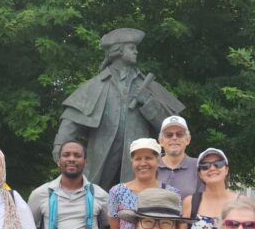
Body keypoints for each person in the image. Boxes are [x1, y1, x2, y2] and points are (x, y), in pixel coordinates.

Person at [52, 27, 185, 188]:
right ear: (118, 51)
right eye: (131, 48)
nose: (136, 52)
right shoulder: (96, 85)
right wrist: (59, 148)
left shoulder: (147, 86)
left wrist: (148, 102)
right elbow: (71, 122)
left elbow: (172, 128)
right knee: (95, 202)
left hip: (139, 167)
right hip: (100, 165)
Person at [107, 138, 180, 229]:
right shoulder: (117, 192)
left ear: (158, 161)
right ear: (132, 162)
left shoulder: (171, 193)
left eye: (148, 158)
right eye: (138, 159)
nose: (143, 163)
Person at [177, 147, 239, 229]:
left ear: (226, 169)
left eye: (218, 164)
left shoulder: (241, 202)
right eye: (205, 166)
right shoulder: (190, 202)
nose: (212, 168)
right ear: (200, 174)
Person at [156, 115, 200, 200]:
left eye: (180, 134)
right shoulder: (151, 166)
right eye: (169, 135)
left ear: (188, 140)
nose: (174, 138)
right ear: (161, 141)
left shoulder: (199, 166)